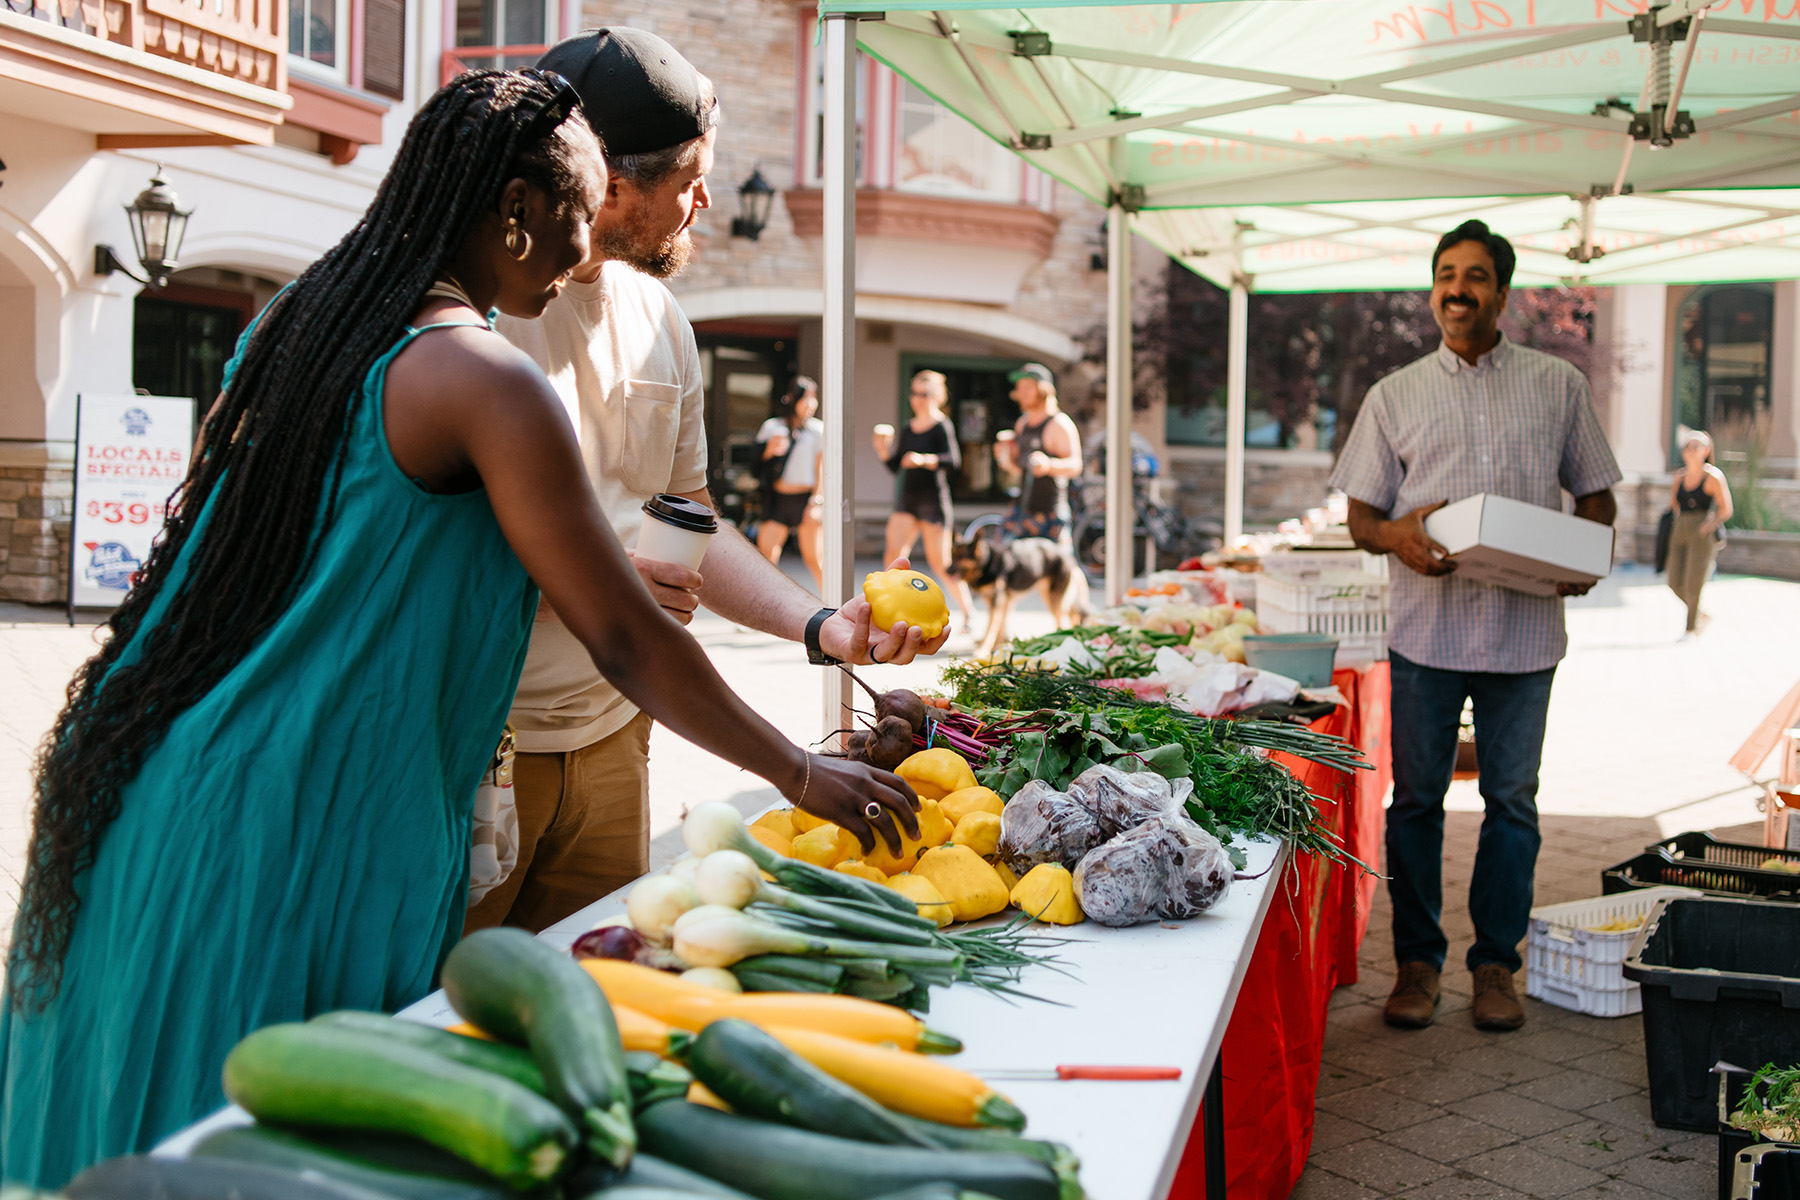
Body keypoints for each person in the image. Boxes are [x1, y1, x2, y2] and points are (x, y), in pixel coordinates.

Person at [0, 70, 919, 1186]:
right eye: (578, 220)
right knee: (294, 1159)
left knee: (147, 1140)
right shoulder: (487, 379)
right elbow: (627, 637)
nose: (587, 256)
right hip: (311, 820)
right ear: (516, 213)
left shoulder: (296, 326)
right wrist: (795, 771)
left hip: (164, 786)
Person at [467, 31, 943, 937]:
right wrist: (589, 583)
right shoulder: (473, 317)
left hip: (615, 735)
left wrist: (817, 623)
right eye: (688, 182)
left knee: (601, 987)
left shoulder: (658, 316)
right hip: (482, 742)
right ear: (608, 185)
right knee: (450, 1017)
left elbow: (691, 520)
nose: (703, 204)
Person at [1331, 219, 1621, 1033]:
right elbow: (1360, 517)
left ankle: (1496, 966)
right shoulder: (1394, 395)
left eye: (1477, 276)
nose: (1459, 289)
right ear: (1434, 289)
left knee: (1513, 803)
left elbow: (1595, 491)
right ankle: (1417, 965)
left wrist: (1591, 553)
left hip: (1526, 632)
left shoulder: (1557, 386)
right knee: (1416, 801)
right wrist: (1399, 537)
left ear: (1503, 290)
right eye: (1447, 275)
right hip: (1427, 630)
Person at [874, 370, 975, 627]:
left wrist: (925, 459)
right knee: (893, 556)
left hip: (933, 502)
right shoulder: (908, 428)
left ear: (937, 396)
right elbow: (897, 467)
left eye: (924, 393)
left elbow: (954, 460)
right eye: (915, 393)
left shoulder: (942, 425)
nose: (918, 399)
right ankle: (889, 608)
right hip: (908, 499)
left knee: (941, 563)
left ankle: (968, 613)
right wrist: (883, 451)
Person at [997, 362, 1082, 546]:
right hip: (1023, 509)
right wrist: (1007, 457)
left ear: (1043, 390)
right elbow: (1020, 469)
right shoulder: (1022, 424)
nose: (1022, 392)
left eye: (1028, 387)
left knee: (1056, 571)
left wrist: (1048, 465)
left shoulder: (1059, 424)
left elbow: (1076, 465)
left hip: (1050, 512)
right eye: (1020, 388)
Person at [756, 377, 826, 591]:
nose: (811, 404)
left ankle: (835, 604)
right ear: (793, 400)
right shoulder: (773, 427)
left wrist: (816, 503)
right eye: (805, 398)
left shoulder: (817, 430)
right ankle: (760, 610)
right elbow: (756, 461)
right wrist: (769, 449)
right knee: (766, 558)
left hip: (805, 499)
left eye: (813, 399)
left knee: (814, 558)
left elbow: (820, 468)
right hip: (778, 498)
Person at [1667, 430, 1733, 638]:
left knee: (1693, 581)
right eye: (1688, 446)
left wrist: (1708, 525)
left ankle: (1691, 628)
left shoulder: (1713, 477)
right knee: (1674, 581)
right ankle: (1701, 615)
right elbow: (1673, 504)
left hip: (1702, 531)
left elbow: (1726, 509)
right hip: (1680, 528)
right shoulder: (1680, 476)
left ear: (1706, 450)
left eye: (1696, 446)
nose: (1691, 451)